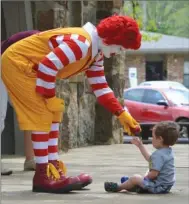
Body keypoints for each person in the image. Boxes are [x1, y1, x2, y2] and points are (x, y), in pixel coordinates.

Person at [2, 15, 142, 193]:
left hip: (32, 68)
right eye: (120, 47)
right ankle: (42, 176)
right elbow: (47, 66)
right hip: (18, 64)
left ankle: (53, 171)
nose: (118, 52)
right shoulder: (81, 43)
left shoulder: (95, 54)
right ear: (111, 39)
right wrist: (49, 96)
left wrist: (121, 114)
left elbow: (100, 87)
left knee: (53, 114)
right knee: (43, 115)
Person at [1, 30, 39, 175]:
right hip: (2, 64)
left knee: (29, 112)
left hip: (15, 71)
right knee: (0, 116)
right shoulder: (36, 41)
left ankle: (30, 159)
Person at [104, 121, 180, 194]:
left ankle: (118, 187)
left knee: (135, 178)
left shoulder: (159, 154)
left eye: (153, 137)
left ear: (160, 139)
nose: (152, 139)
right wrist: (140, 146)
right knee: (142, 175)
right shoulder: (168, 151)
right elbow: (151, 160)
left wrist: (143, 179)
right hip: (165, 186)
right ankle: (134, 185)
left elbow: (154, 174)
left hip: (157, 187)